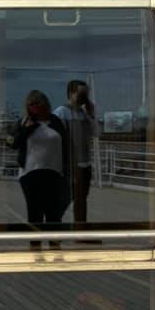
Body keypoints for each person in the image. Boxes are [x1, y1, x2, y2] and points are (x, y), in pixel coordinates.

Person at [12, 90, 69, 246]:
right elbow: (12, 143)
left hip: (54, 172)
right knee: (34, 212)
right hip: (30, 173)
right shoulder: (23, 122)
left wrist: (68, 170)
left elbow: (67, 145)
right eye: (31, 104)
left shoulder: (57, 122)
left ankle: (55, 245)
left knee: (53, 212)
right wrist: (27, 129)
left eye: (37, 103)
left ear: (45, 103)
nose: (34, 107)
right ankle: (35, 246)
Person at [54, 80, 98, 225]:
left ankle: (81, 230)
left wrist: (91, 114)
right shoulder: (61, 112)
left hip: (85, 164)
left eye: (86, 93)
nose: (84, 97)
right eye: (81, 93)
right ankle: (53, 226)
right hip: (71, 165)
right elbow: (56, 139)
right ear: (71, 93)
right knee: (65, 200)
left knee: (81, 201)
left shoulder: (84, 114)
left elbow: (97, 133)